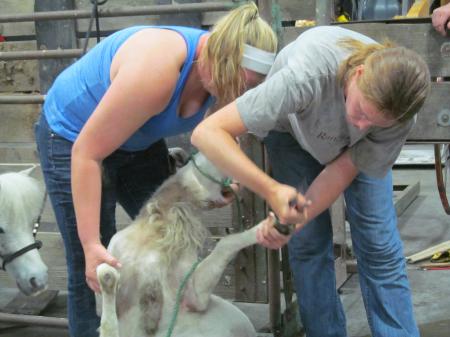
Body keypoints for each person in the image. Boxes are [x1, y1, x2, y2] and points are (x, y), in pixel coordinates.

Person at [34, 3, 277, 337]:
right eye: (236, 82)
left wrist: (227, 179)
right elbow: (87, 154)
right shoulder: (157, 69)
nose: (239, 94)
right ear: (219, 58)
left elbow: (219, 137)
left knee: (173, 236)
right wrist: (90, 243)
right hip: (73, 137)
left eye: (249, 86)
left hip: (138, 137)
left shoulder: (225, 76)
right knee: (93, 268)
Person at [192, 25, 430, 337]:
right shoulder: (306, 76)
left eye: (373, 123)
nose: (360, 125)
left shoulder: (400, 113)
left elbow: (343, 168)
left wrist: (296, 216)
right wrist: (274, 193)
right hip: (291, 132)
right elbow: (206, 132)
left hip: (349, 149)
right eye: (361, 112)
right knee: (307, 245)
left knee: (379, 242)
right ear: (358, 74)